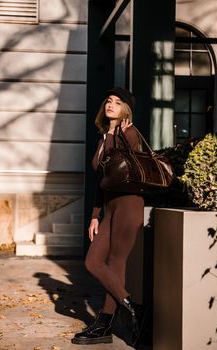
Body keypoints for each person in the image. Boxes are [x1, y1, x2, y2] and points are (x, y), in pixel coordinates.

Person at [71, 87, 144, 346]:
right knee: (93, 262)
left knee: (116, 264)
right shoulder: (103, 137)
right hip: (110, 208)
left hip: (129, 205)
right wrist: (94, 215)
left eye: (117, 102)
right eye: (108, 101)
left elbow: (130, 171)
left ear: (125, 109)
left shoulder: (129, 133)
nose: (111, 105)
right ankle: (132, 307)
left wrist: (123, 138)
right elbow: (100, 182)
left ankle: (103, 324)